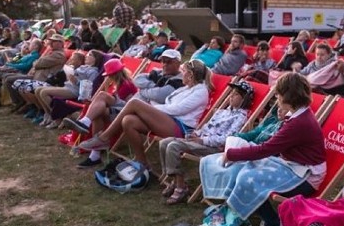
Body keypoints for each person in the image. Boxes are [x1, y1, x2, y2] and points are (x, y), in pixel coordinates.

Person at [200, 72, 326, 226]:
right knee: (244, 169)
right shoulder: (299, 115)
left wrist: (231, 154)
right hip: (293, 166)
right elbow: (268, 148)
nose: (277, 97)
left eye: (279, 94)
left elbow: (266, 149)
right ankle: (253, 217)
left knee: (248, 178)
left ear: (288, 96)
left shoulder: (299, 123)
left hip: (305, 176)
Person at [78, 59, 213, 171]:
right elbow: (167, 103)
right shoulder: (185, 88)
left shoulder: (201, 92)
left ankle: (104, 138)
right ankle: (142, 163)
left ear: (190, 75)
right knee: (128, 120)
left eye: (183, 72)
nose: (181, 75)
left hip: (180, 128)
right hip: (167, 120)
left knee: (135, 103)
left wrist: (150, 107)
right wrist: (152, 107)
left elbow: (176, 110)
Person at [159, 81, 253, 204]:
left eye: (235, 95)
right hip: (200, 141)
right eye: (231, 93)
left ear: (244, 99)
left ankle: (181, 187)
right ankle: (176, 181)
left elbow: (228, 138)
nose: (231, 96)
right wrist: (197, 134)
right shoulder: (223, 111)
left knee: (173, 146)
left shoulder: (241, 117)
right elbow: (207, 127)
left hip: (214, 147)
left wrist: (203, 140)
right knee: (164, 143)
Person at [64, 58, 138, 167]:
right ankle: (95, 155)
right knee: (97, 113)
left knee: (102, 96)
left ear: (115, 74)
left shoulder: (126, 85)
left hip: (126, 114)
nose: (108, 77)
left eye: (110, 75)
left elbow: (121, 104)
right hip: (118, 111)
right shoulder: (120, 84)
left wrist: (104, 89)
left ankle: (86, 124)